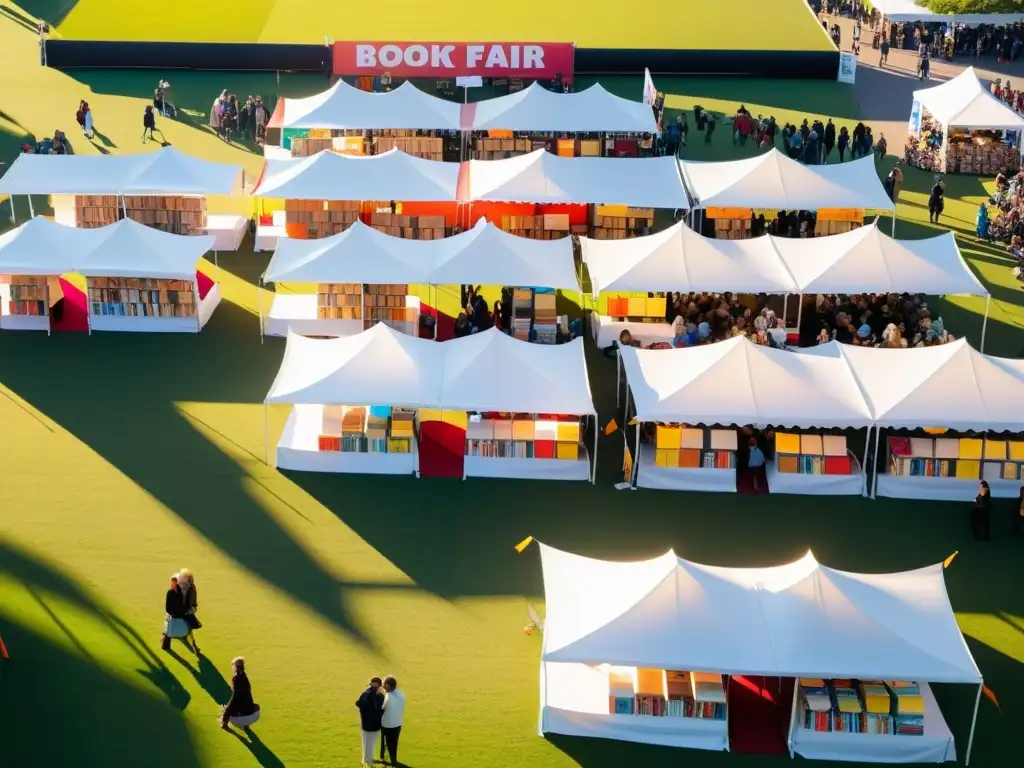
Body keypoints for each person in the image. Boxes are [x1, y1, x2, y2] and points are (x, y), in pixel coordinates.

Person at [222, 657, 261, 730]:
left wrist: (226, 712)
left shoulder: (236, 678)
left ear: (235, 667)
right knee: (252, 706)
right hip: (251, 716)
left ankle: (224, 725)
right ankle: (246, 726)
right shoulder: (244, 675)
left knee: (226, 709)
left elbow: (234, 697)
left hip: (241, 718)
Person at [356, 677, 384, 768]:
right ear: (380, 685)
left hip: (365, 723)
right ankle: (368, 761)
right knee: (372, 743)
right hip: (376, 724)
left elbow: (358, 703)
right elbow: (383, 709)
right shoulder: (381, 696)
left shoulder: (365, 694)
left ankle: (365, 760)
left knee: (365, 742)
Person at [378, 675, 405, 767]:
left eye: (384, 684)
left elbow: (383, 708)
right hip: (398, 723)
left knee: (386, 742)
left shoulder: (388, 697)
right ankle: (394, 760)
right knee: (394, 743)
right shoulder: (401, 694)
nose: (383, 685)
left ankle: (383, 757)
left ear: (389, 685)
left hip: (387, 724)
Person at [161, 574, 189, 651]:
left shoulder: (179, 591)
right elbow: (167, 606)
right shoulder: (169, 592)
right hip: (172, 614)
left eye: (174, 583)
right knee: (168, 630)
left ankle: (182, 636)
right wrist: (171, 613)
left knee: (174, 628)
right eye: (172, 583)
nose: (173, 584)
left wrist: (183, 611)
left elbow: (181, 602)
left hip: (178, 613)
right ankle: (165, 646)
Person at [178, 567, 201, 653]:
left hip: (187, 611)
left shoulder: (191, 588)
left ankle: (194, 644)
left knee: (189, 628)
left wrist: (192, 609)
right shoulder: (177, 586)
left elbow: (193, 602)